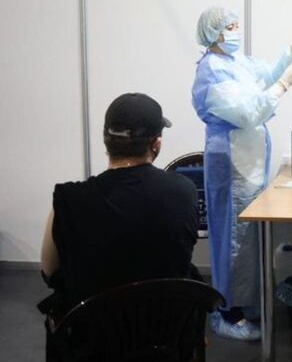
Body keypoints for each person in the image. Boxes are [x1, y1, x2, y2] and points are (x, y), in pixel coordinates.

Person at [39, 93, 199, 360]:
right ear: (156, 144)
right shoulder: (184, 191)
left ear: (106, 141)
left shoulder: (68, 200)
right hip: (165, 338)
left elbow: (48, 270)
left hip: (93, 343)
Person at [192, 6, 292, 340]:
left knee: (249, 237)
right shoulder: (211, 72)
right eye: (229, 27)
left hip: (248, 160)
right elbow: (245, 113)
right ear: (213, 33)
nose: (235, 31)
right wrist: (284, 85)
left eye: (236, 24)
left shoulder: (234, 61)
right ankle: (227, 313)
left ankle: (248, 302)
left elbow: (264, 78)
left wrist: (291, 56)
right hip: (230, 160)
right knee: (234, 238)